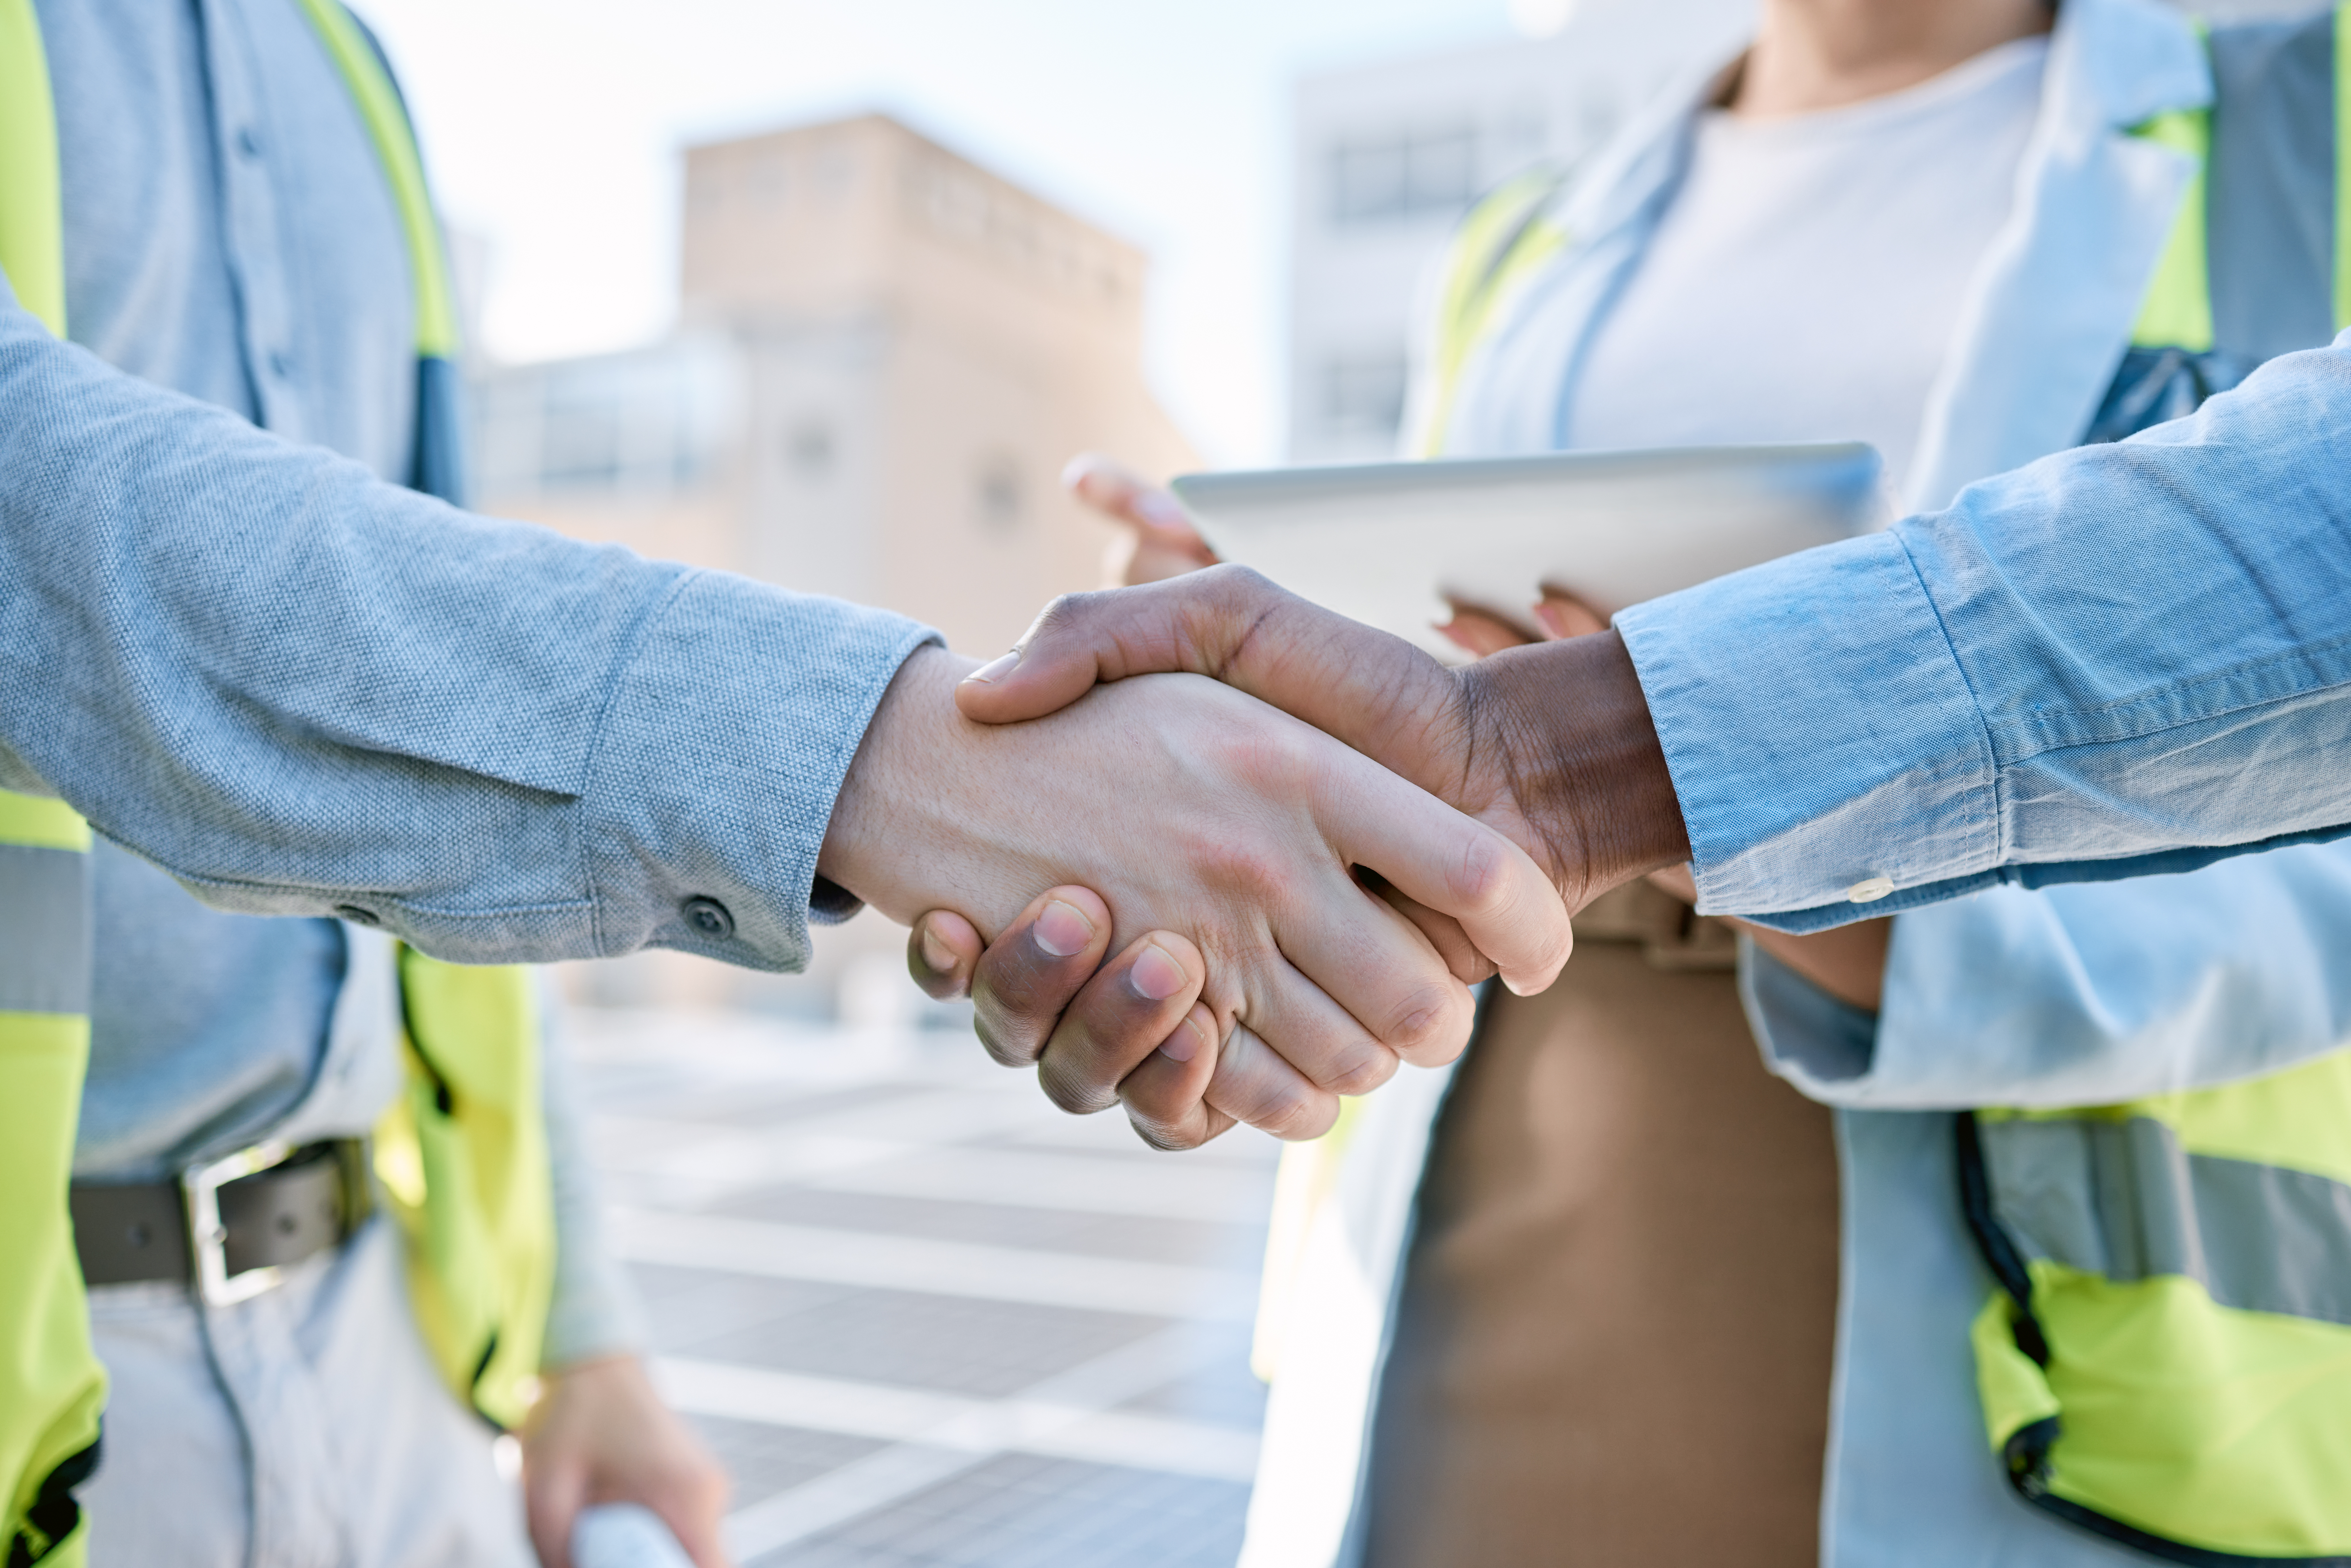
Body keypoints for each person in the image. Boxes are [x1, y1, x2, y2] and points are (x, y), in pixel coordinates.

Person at [0, 6, 1569, 1567]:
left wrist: (582, 1330)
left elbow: (422, 772)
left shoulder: (338, 65)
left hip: (384, 1353)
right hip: (49, 1386)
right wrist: (883, 761)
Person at [931, 0, 2351, 1562]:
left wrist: (1698, 788)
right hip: (1501, 1168)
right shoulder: (1526, 237)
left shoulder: (2310, 122)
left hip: (2027, 1271)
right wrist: (1251, 665)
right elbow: (1447, 685)